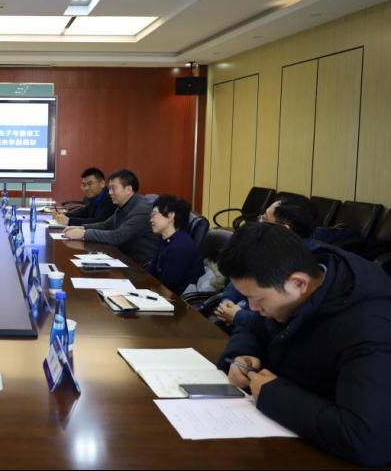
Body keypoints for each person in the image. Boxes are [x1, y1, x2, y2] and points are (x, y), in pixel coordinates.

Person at [216, 222, 391, 467]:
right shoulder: (295, 279)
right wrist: (242, 354)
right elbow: (253, 326)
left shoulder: (368, 327)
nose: (251, 308)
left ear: (298, 283)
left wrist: (273, 394)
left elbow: (367, 439)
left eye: (257, 299)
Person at [215, 194, 320, 327]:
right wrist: (227, 300)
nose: (259, 223)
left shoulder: (308, 268)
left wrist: (238, 316)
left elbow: (279, 326)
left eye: (264, 219)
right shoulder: (266, 247)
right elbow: (239, 278)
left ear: (283, 229)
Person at [62, 169, 161, 266]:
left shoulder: (142, 209)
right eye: (109, 189)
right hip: (123, 257)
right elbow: (107, 225)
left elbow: (118, 236)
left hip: (141, 266)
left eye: (113, 188)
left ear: (128, 189)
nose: (110, 193)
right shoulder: (124, 204)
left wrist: (84, 233)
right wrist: (82, 227)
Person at [147, 195, 204, 295]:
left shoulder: (180, 246)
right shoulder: (165, 238)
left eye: (154, 215)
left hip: (179, 300)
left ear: (170, 216)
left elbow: (168, 285)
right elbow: (152, 271)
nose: (151, 220)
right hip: (163, 292)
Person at [52, 167, 117, 226]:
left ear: (102, 183)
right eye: (84, 184)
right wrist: (63, 215)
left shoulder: (111, 198)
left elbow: (100, 222)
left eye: (90, 184)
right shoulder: (94, 197)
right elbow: (84, 212)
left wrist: (69, 220)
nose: (86, 188)